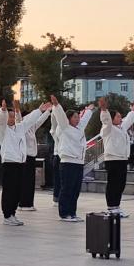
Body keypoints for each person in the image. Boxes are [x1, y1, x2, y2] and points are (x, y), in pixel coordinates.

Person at [0, 99, 51, 226]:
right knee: (9, 191)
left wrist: (40, 111)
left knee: (17, 191)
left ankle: (12, 214)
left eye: (13, 116)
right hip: (9, 164)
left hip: (20, 163)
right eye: (9, 117)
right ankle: (7, 215)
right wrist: (3, 111)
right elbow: (1, 121)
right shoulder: (2, 130)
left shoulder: (20, 128)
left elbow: (29, 120)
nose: (11, 119)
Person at [49, 94, 93, 222]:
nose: (78, 119)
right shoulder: (64, 127)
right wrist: (56, 106)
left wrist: (89, 110)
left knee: (75, 190)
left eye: (78, 117)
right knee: (67, 189)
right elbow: (61, 116)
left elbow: (85, 120)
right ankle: (64, 214)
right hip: (68, 162)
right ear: (68, 119)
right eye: (75, 117)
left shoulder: (79, 128)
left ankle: (72, 213)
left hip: (79, 162)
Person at [99, 96, 134, 216]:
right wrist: (104, 110)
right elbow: (106, 120)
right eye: (118, 116)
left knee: (121, 184)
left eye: (121, 116)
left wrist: (133, 111)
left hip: (122, 159)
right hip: (112, 159)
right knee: (113, 184)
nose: (121, 119)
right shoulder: (108, 128)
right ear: (111, 118)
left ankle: (116, 206)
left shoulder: (121, 128)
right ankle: (111, 207)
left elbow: (129, 121)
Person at [18, 104, 50, 211]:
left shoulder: (32, 128)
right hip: (25, 158)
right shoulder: (22, 127)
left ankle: (29, 203)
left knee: (30, 182)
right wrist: (38, 110)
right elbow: (28, 118)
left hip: (31, 157)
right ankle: (23, 204)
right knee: (25, 182)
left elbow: (39, 121)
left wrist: (47, 112)